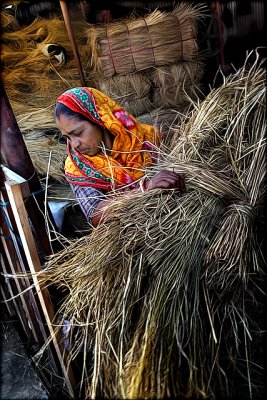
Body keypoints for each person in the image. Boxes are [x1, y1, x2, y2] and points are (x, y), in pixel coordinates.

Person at [54, 87, 185, 227]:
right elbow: (95, 215)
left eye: (78, 133)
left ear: (100, 119)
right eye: (67, 137)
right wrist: (145, 188)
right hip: (130, 234)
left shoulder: (145, 138)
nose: (74, 145)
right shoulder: (77, 167)